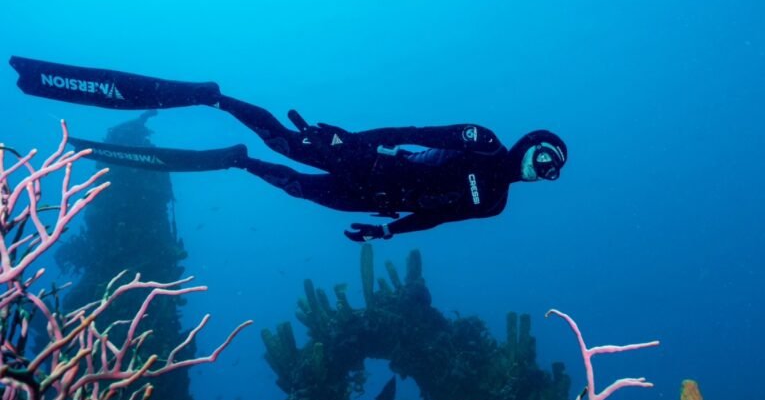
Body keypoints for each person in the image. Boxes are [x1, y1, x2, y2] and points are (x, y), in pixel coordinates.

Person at [10, 55, 567, 241]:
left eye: (554, 173)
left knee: (294, 187)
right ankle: (214, 99)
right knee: (279, 137)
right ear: (531, 143)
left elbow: (438, 222)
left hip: (366, 200)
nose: (545, 171)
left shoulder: (495, 204)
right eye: (547, 157)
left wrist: (388, 231)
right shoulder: (483, 143)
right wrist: (351, 139)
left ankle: (236, 160)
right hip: (363, 159)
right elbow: (414, 133)